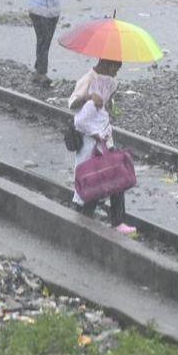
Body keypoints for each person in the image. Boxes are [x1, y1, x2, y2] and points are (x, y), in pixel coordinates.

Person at [68, 59, 135, 234]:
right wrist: (89, 97)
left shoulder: (109, 82)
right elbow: (72, 104)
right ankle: (84, 215)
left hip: (104, 139)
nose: (116, 73)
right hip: (89, 141)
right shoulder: (88, 79)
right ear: (109, 65)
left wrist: (109, 102)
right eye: (116, 69)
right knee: (92, 178)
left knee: (115, 175)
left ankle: (116, 220)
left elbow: (106, 105)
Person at [18, 0, 75, 85]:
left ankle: (38, 71)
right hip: (37, 7)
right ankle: (42, 72)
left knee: (46, 40)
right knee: (43, 37)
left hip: (54, 7)